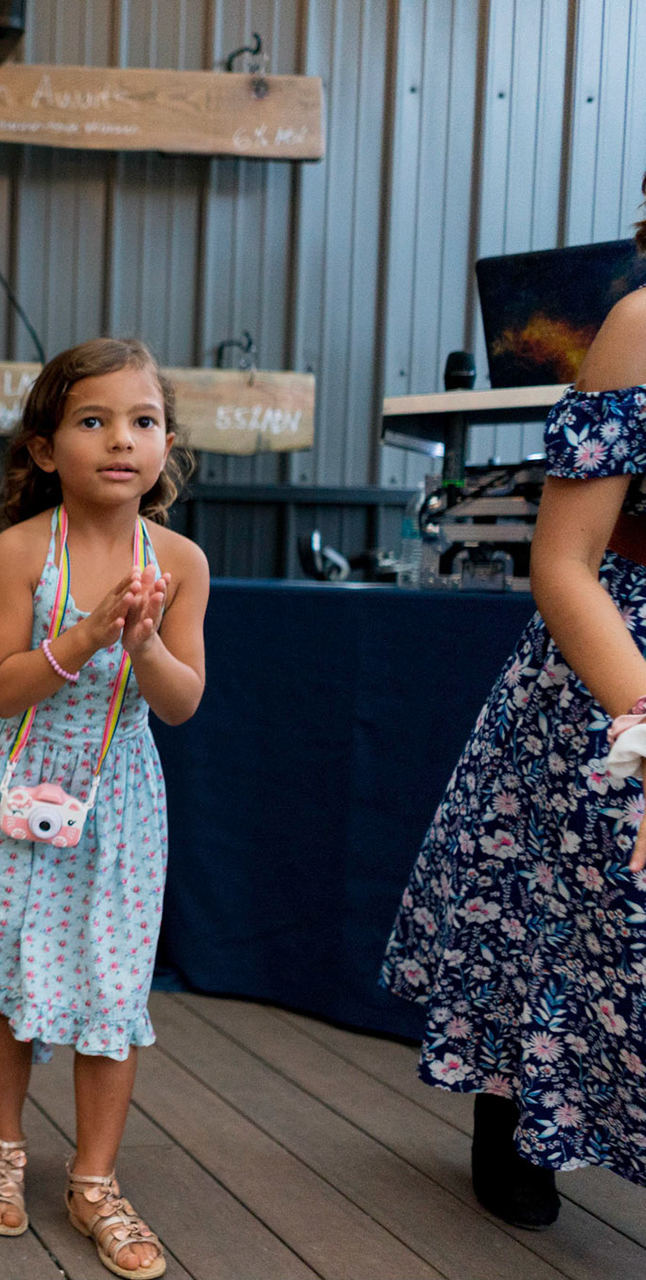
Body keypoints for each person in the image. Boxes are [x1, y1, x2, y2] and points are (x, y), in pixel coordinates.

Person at [0, 338, 208, 1280]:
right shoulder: (21, 551)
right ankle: (2, 1149)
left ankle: (96, 1179)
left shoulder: (181, 561)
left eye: (143, 421)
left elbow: (182, 698)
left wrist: (146, 642)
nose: (123, 439)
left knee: (109, 988)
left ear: (165, 447)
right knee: (6, 974)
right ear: (44, 449)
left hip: (117, 798)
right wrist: (85, 630)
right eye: (93, 420)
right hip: (18, 785)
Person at [381, 194, 646, 1224]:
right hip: (612, 651)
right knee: (560, 901)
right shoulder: (639, 324)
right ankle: (513, 1101)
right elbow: (564, 559)